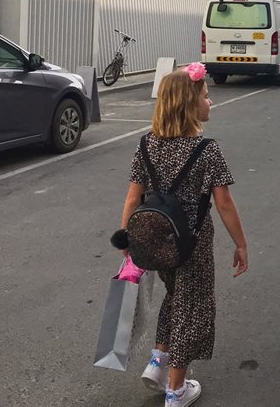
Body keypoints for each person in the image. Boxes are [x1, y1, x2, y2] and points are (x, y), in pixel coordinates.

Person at [120, 64, 248, 407]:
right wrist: (240, 243)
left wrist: (127, 239)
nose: (211, 102)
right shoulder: (206, 150)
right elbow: (223, 203)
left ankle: (158, 362)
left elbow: (133, 197)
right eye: (206, 96)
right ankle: (176, 391)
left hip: (153, 237)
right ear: (190, 105)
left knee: (176, 296)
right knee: (193, 307)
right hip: (190, 241)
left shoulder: (147, 145)